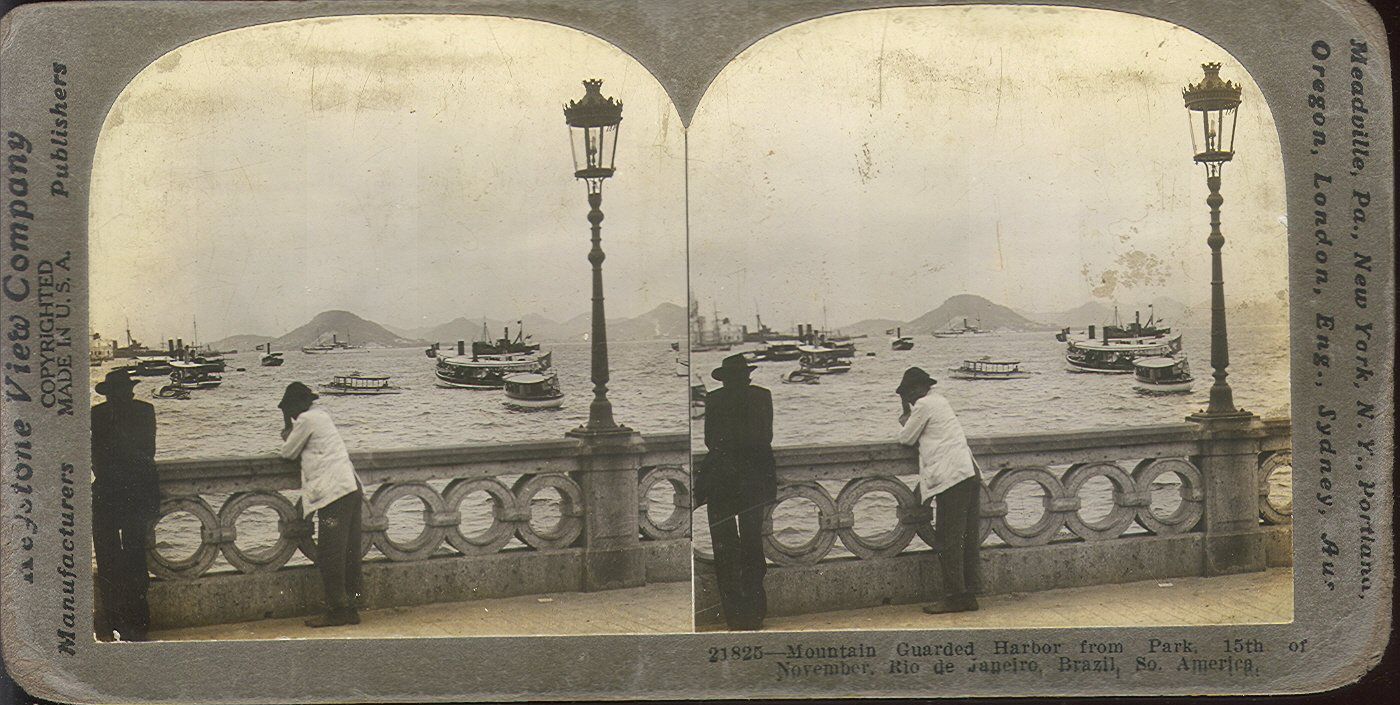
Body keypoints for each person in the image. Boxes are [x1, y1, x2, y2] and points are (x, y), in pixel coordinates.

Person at [696, 353, 777, 631]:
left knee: (725, 545)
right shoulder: (763, 396)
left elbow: (710, 440)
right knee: (753, 542)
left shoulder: (715, 399)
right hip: (755, 477)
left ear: (725, 378)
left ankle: (734, 615)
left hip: (721, 478)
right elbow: (766, 436)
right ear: (748, 376)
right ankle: (755, 612)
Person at [896, 366, 983, 614]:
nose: (910, 396)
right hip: (967, 471)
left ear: (921, 388)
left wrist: (905, 408)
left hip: (952, 478)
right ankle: (970, 593)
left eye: (910, 392)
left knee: (949, 538)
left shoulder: (923, 405)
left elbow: (906, 437)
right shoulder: (940, 401)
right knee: (968, 537)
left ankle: (955, 597)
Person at [278, 382, 364, 627]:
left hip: (334, 495)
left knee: (330, 553)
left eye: (290, 408)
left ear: (297, 406)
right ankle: (352, 606)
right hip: (350, 487)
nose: (291, 413)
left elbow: (288, 452)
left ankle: (339, 611)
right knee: (349, 551)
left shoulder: (305, 420)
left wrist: (286, 422)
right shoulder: (322, 416)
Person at [91, 369, 160, 642]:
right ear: (130, 390)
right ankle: (138, 623)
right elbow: (148, 452)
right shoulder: (145, 411)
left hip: (107, 491)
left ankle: (113, 623)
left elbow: (95, 455)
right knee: (134, 555)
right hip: (137, 491)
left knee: (109, 559)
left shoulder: (96, 415)